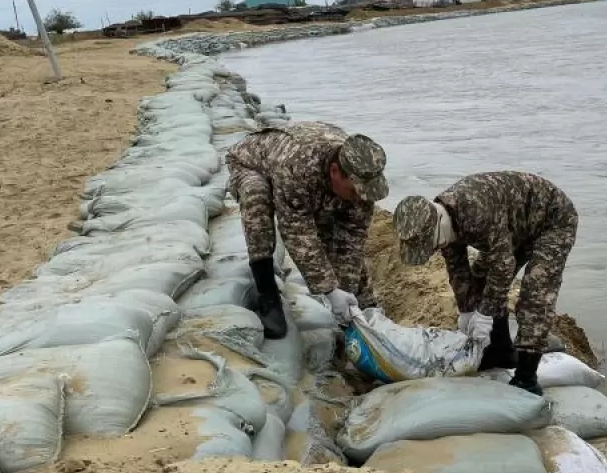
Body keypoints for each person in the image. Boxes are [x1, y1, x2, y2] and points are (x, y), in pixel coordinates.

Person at [392, 171, 578, 395]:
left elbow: (503, 264)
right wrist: (467, 311)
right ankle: (501, 350)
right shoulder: (439, 218)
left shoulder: (475, 211)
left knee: (535, 294)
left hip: (552, 221)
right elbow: (458, 269)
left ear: (437, 228)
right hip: (514, 226)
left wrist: (485, 314)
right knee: (480, 281)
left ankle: (527, 377)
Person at [225, 121, 388, 340]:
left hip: (307, 165)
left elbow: (350, 241)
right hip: (251, 162)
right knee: (257, 196)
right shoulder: (296, 168)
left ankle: (369, 310)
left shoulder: (361, 179)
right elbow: (298, 233)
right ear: (335, 172)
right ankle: (267, 292)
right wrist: (329, 290)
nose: (360, 198)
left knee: (335, 227)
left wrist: (347, 292)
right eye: (355, 191)